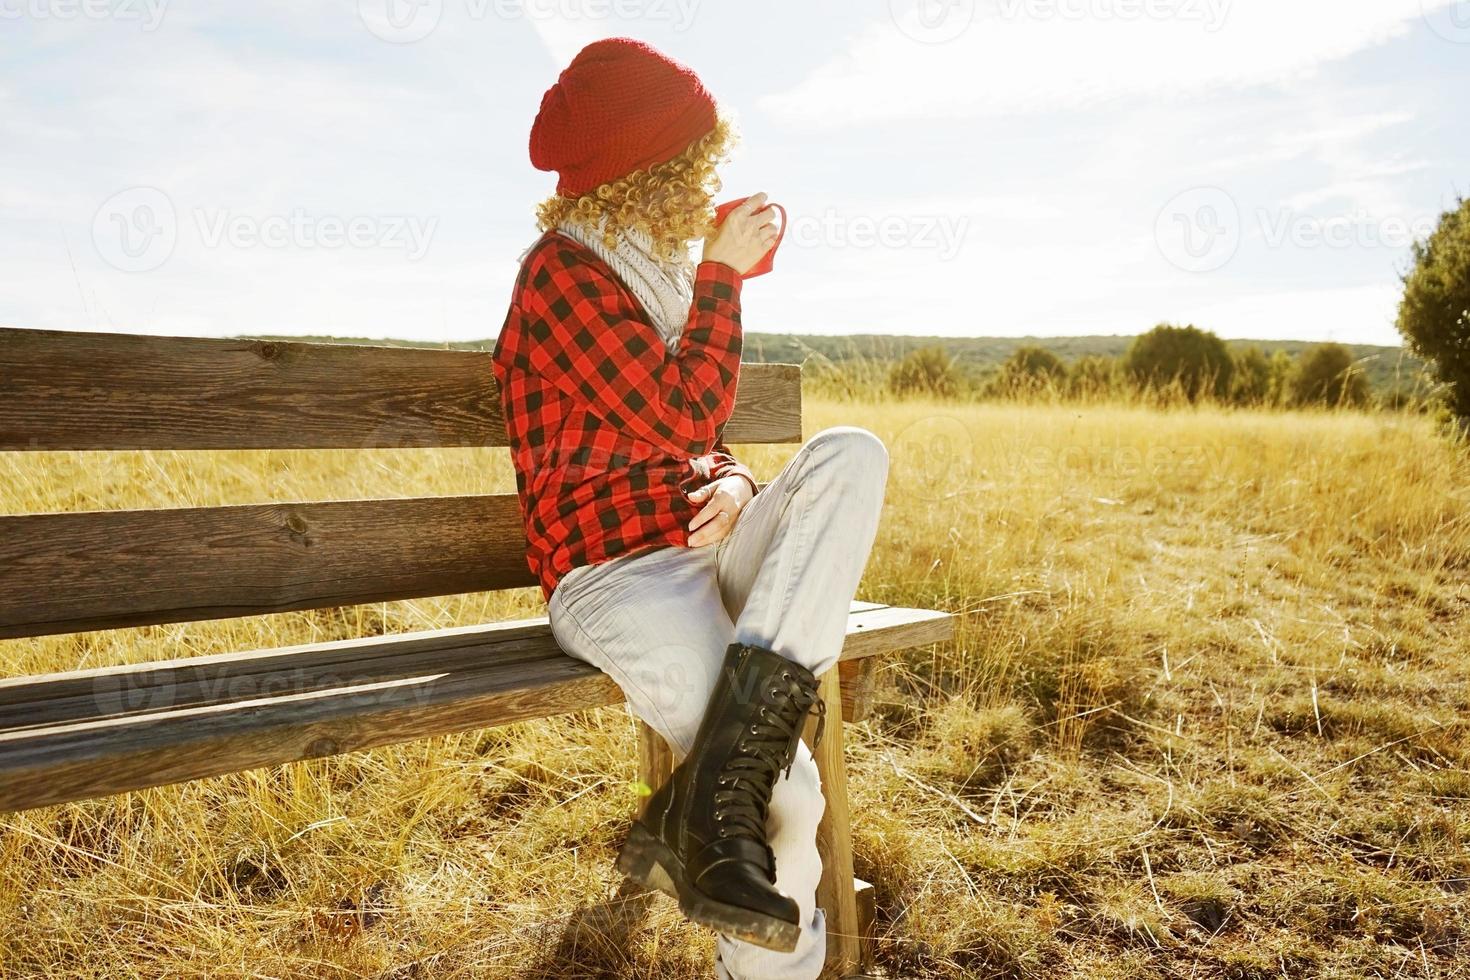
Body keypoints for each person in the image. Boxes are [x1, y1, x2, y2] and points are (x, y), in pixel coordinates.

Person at [492, 36, 889, 980]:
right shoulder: (563, 276)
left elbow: (692, 443)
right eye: (693, 161)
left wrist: (738, 484)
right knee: (779, 790)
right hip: (616, 578)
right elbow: (679, 411)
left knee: (849, 457)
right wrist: (722, 278)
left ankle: (714, 786)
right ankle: (734, 793)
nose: (707, 178)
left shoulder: (653, 272)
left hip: (702, 543)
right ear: (647, 170)